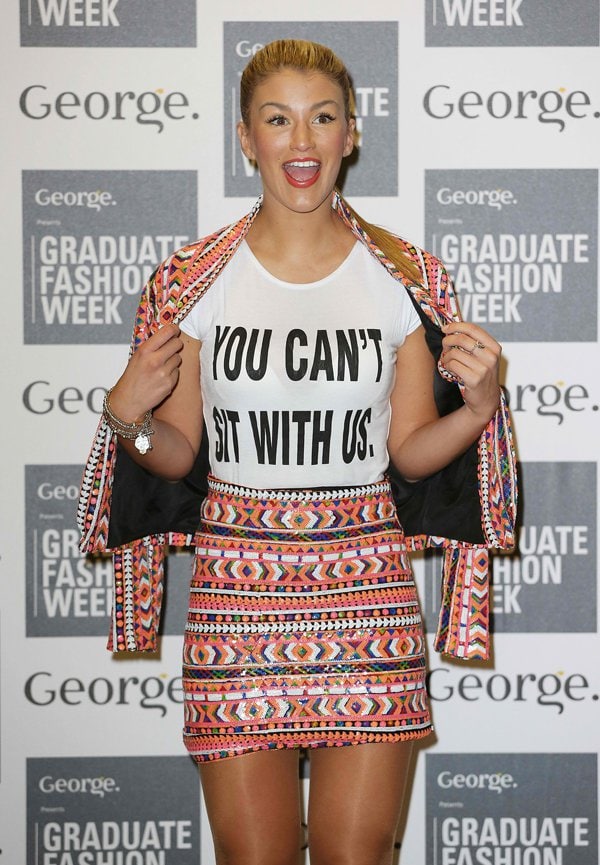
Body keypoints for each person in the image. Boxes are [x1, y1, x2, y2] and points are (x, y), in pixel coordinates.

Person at [78, 39, 517, 865]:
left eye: (322, 118)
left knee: (359, 858)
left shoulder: (402, 276)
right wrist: (125, 415)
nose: (302, 142)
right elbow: (176, 455)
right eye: (277, 120)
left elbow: (414, 453)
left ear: (351, 132)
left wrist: (482, 409)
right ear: (247, 138)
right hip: (235, 603)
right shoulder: (194, 280)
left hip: (368, 595)